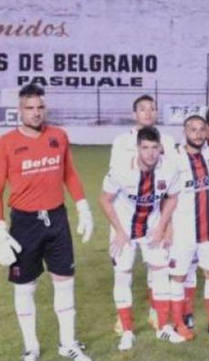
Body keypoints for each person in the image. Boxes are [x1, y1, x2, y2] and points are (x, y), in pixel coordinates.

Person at [0, 84, 94, 361]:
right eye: (29, 108)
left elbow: (70, 174)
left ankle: (68, 344)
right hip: (24, 223)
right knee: (25, 286)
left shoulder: (59, 136)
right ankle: (32, 348)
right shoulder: (6, 143)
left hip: (56, 219)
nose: (36, 113)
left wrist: (83, 206)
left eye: (40, 107)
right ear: (20, 111)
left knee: (64, 281)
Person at [99, 126, 186, 350]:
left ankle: (163, 328)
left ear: (161, 148)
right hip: (124, 230)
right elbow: (104, 200)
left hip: (152, 227)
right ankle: (127, 331)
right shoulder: (120, 168)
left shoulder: (170, 168)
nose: (150, 153)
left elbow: (172, 198)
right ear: (137, 148)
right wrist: (118, 230)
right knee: (122, 276)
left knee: (160, 274)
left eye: (154, 148)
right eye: (145, 147)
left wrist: (163, 227)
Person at [109, 94, 176, 333]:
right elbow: (114, 184)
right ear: (134, 114)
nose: (148, 113)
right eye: (142, 109)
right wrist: (118, 228)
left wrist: (167, 226)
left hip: (155, 217)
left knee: (156, 268)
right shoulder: (121, 142)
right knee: (123, 271)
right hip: (125, 217)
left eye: (152, 109)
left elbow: (171, 187)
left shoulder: (166, 140)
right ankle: (123, 319)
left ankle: (155, 313)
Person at [168, 115, 209, 340]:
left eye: (201, 130)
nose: (197, 134)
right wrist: (166, 227)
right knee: (178, 276)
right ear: (184, 132)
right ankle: (178, 324)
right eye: (192, 130)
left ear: (206, 132)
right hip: (183, 230)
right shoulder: (174, 159)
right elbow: (165, 196)